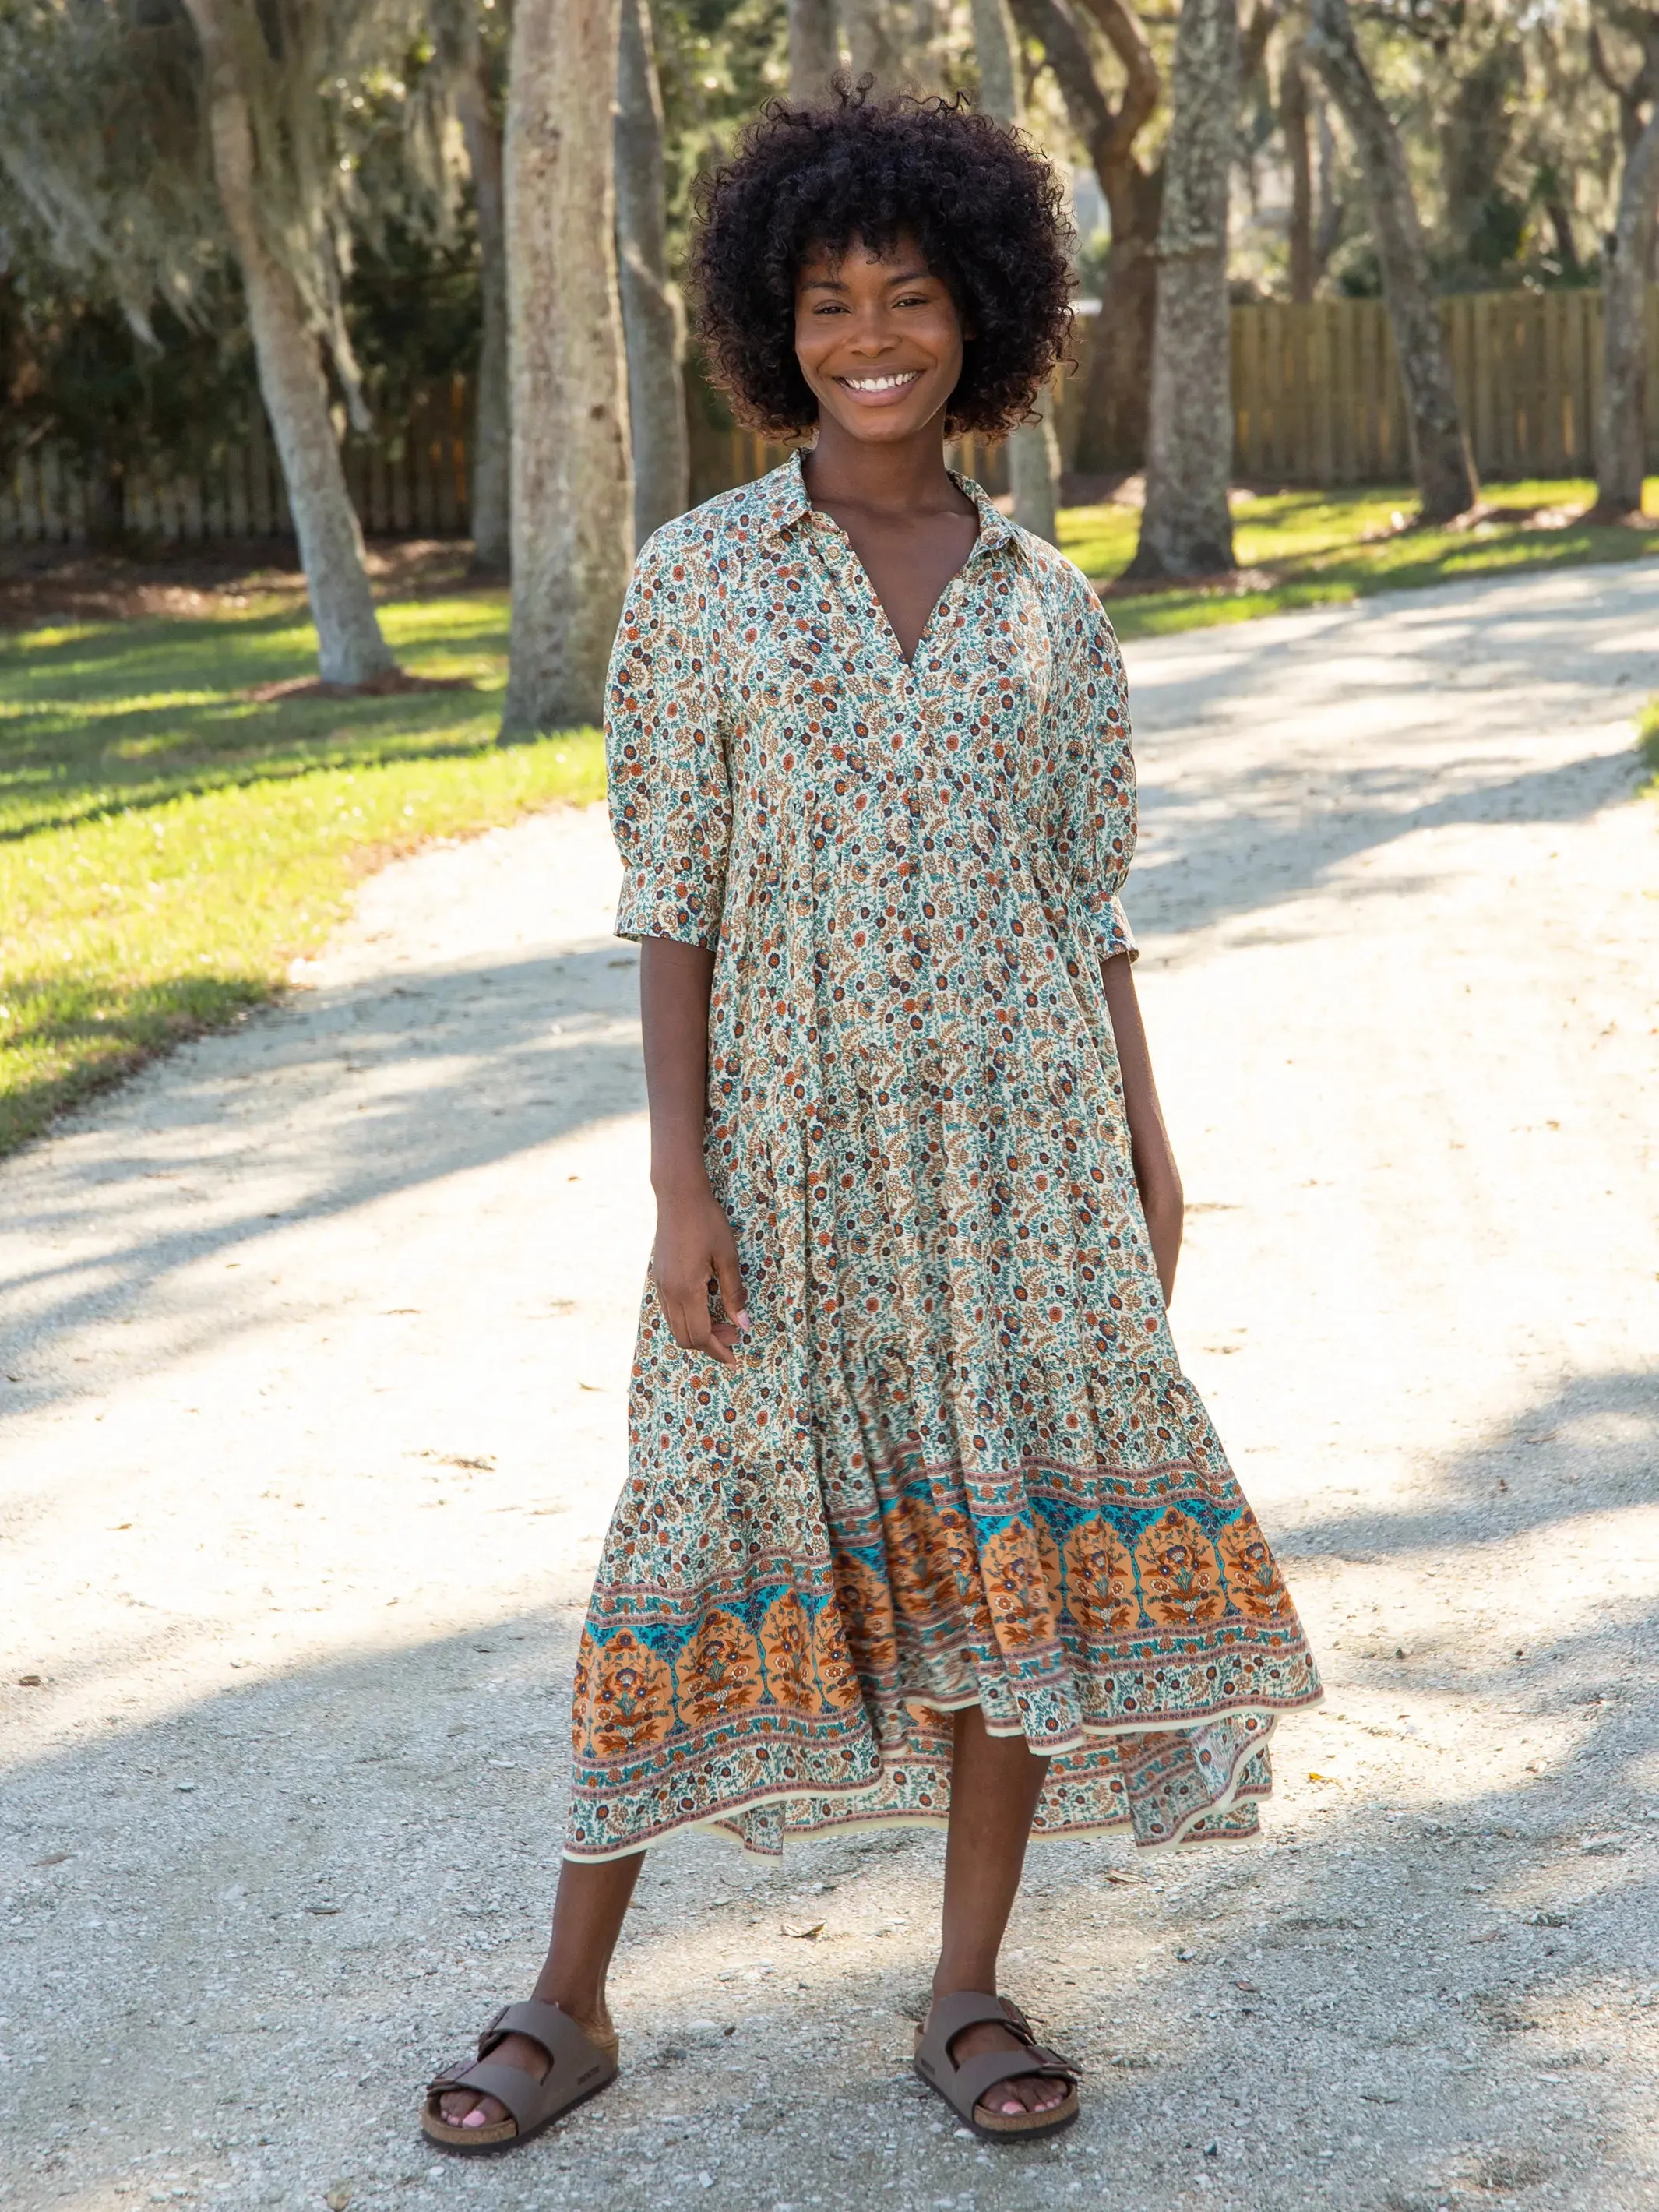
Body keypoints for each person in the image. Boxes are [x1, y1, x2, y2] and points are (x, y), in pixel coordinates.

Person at [422, 86, 1321, 2157]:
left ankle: (967, 1985)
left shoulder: (1049, 605)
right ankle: (568, 1998)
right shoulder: (699, 582)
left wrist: (1151, 1146)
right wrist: (680, 1181)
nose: (872, 337)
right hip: (790, 1169)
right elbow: (670, 902)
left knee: (1013, 1539)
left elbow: (1087, 904)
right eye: (828, 302)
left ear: (981, 312)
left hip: (1022, 1164)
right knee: (687, 1530)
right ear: (776, 327)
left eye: (910, 295)